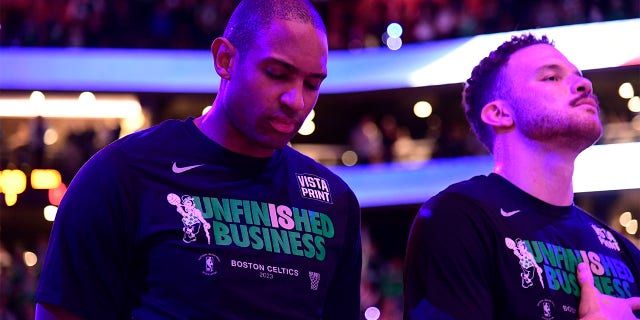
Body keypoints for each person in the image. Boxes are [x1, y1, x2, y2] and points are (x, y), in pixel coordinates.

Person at [34, 0, 362, 319]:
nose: (296, 100)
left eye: (312, 84)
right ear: (225, 60)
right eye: (277, 73)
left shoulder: (335, 201)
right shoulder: (122, 174)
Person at [403, 33, 640, 319]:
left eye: (579, 76)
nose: (584, 84)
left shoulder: (622, 251)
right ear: (500, 113)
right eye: (551, 78)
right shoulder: (459, 217)